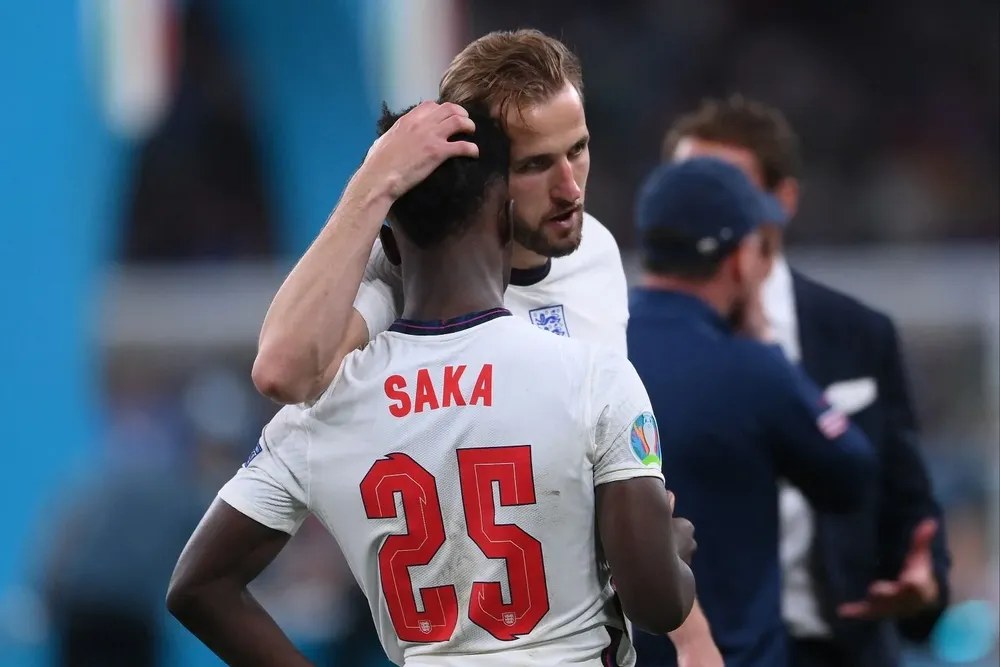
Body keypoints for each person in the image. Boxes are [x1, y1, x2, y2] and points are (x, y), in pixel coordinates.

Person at [249, 28, 722, 665]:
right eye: (535, 165)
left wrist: (692, 639)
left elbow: (612, 483)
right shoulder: (405, 280)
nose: (569, 187)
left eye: (577, 151)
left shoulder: (599, 252)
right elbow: (281, 369)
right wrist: (375, 182)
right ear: (483, 176)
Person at [662, 96, 951, 667]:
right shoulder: (630, 342)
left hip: (838, 645)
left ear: (783, 201)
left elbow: (908, 503)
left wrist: (926, 585)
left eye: (723, 189)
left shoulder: (858, 335)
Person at [626, 156, 879, 667]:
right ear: (740, 259)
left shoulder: (595, 349)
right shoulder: (752, 369)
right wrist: (769, 348)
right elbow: (853, 474)